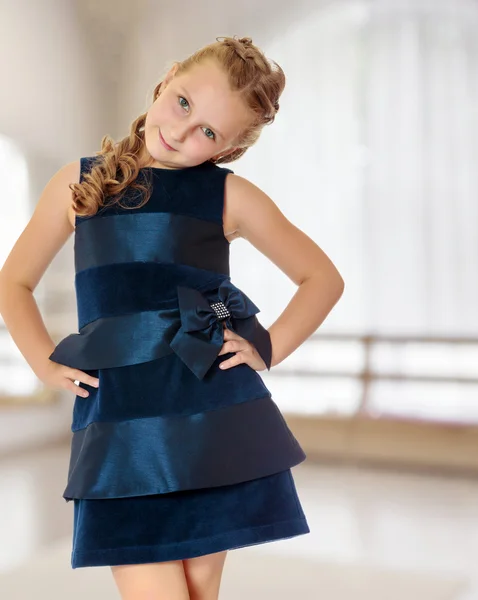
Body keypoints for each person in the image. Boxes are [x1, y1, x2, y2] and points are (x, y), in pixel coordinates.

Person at [0, 35, 344, 600]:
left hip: (211, 420)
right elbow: (14, 283)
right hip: (121, 428)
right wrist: (43, 364)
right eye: (183, 103)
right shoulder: (78, 183)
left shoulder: (229, 195)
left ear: (228, 149)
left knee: (198, 593)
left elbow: (322, 279)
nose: (182, 132)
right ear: (166, 78)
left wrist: (267, 345)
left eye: (209, 131)